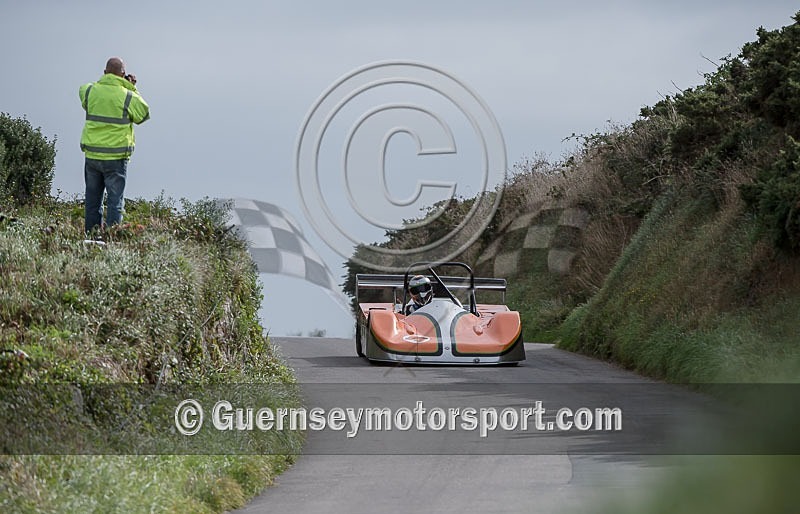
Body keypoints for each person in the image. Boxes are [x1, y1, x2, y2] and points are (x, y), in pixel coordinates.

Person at [79, 57, 150, 233]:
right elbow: (143, 114)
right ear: (123, 75)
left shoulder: (89, 91)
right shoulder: (128, 95)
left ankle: (92, 238)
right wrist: (131, 86)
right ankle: (111, 239)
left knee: (92, 201)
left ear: (104, 73)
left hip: (93, 156)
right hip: (116, 159)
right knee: (115, 202)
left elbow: (84, 94)